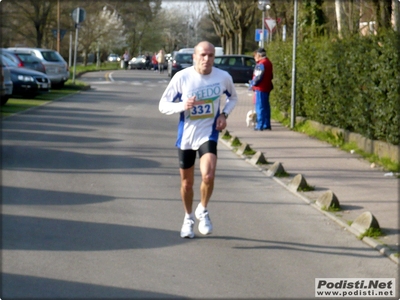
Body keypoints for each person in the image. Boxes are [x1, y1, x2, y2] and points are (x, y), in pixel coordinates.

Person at [159, 41, 238, 238]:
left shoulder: (222, 77)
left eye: (211, 55)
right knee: (187, 184)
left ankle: (202, 209)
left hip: (208, 133)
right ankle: (188, 218)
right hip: (186, 136)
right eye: (203, 55)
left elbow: (233, 98)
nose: (207, 59)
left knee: (208, 176)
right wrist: (182, 106)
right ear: (194, 57)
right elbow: (163, 105)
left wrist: (224, 115)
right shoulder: (182, 77)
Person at [249, 48, 273, 131]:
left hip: (260, 88)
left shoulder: (261, 64)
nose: (254, 57)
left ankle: (260, 125)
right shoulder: (268, 62)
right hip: (266, 87)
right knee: (266, 106)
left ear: (259, 55)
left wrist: (252, 84)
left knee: (260, 107)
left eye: (255, 55)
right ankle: (267, 124)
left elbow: (257, 77)